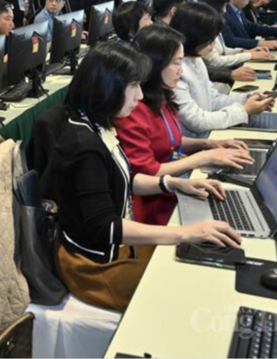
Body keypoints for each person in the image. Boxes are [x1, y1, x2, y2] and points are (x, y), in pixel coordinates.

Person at [52, 41, 240, 311]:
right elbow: (106, 227)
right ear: (108, 87)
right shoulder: (83, 146)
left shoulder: (97, 123)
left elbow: (125, 180)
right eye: (133, 86)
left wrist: (173, 183)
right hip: (94, 266)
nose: (140, 96)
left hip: (115, 250)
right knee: (195, 290)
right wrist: (185, 233)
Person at [116, 25, 253, 225]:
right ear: (155, 64)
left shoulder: (162, 94)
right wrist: (202, 157)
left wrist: (209, 145)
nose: (182, 69)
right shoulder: (132, 110)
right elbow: (148, 172)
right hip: (156, 205)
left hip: (176, 187)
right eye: (176, 62)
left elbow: (168, 140)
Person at [170, 3, 274, 137]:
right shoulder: (175, 71)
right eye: (209, 41)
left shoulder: (196, 59)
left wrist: (247, 99)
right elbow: (196, 121)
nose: (213, 46)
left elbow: (213, 100)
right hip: (197, 142)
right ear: (193, 37)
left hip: (210, 134)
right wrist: (244, 110)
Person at [199, 0, 276, 70]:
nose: (225, 11)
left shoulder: (213, 23)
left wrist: (245, 51)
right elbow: (215, 61)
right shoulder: (203, 27)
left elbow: (224, 50)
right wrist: (249, 55)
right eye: (223, 6)